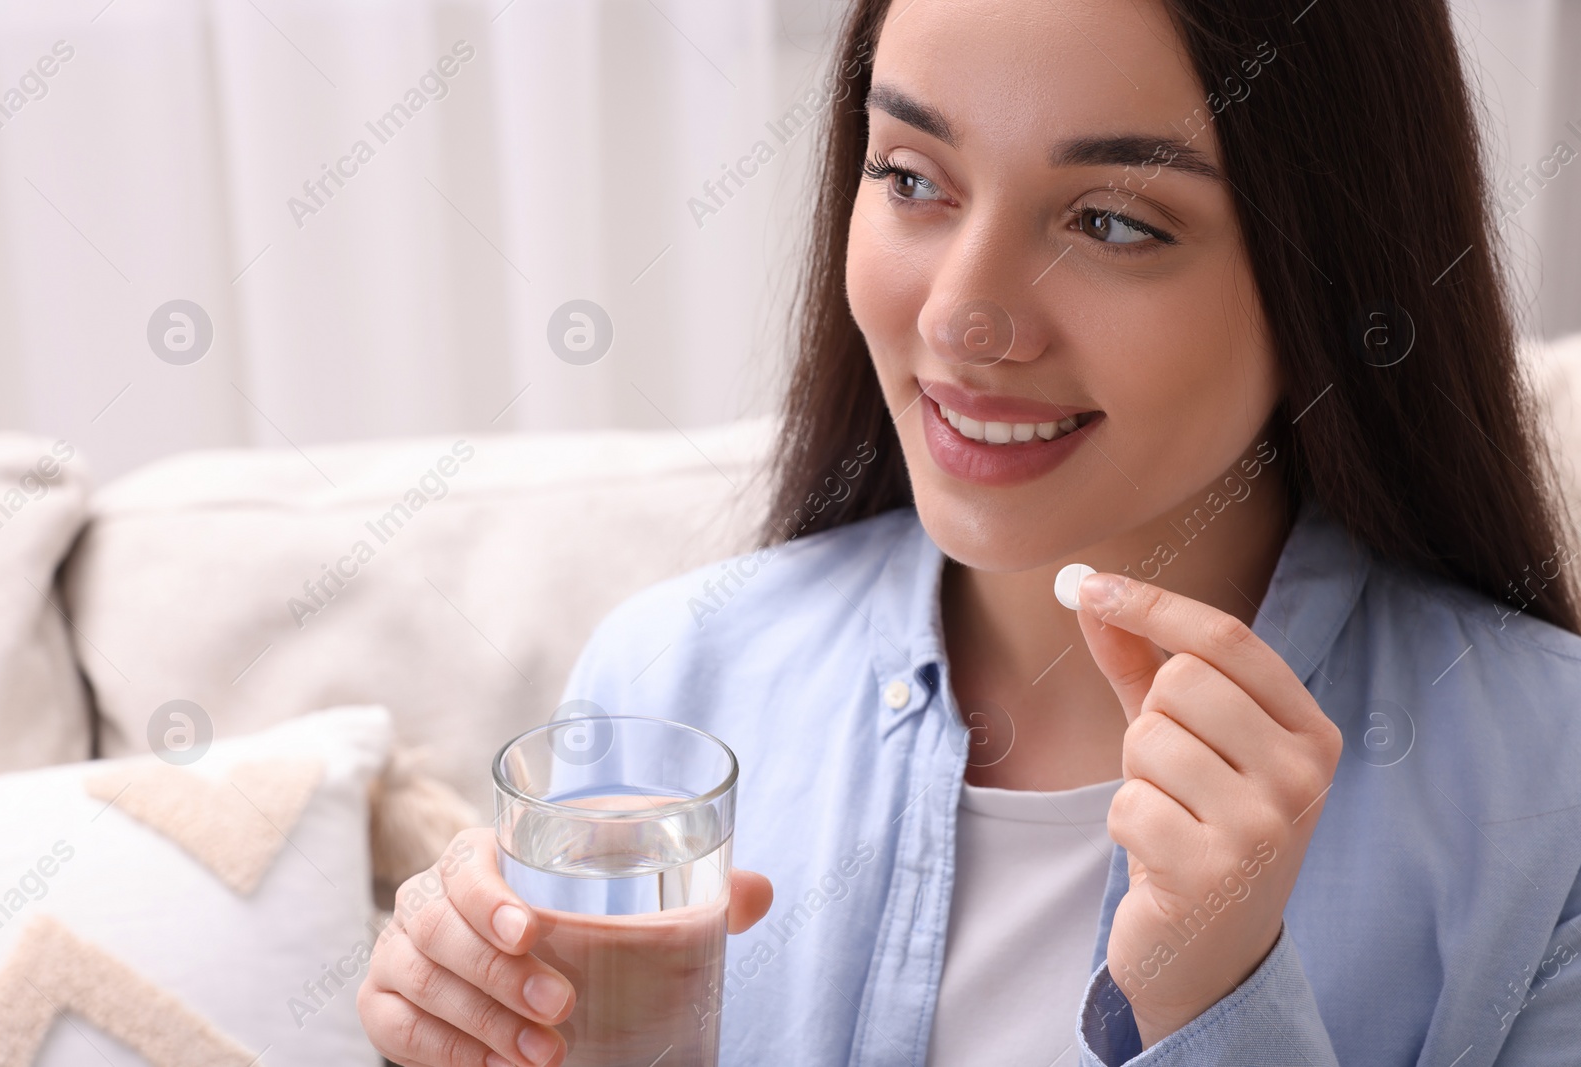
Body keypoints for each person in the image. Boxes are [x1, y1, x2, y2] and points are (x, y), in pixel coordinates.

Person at [358, 0, 1581, 1063]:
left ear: (1332, 269)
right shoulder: (673, 674)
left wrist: (1218, 1003)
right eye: (910, 177)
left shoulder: (1549, 789)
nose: (961, 317)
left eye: (1109, 221)